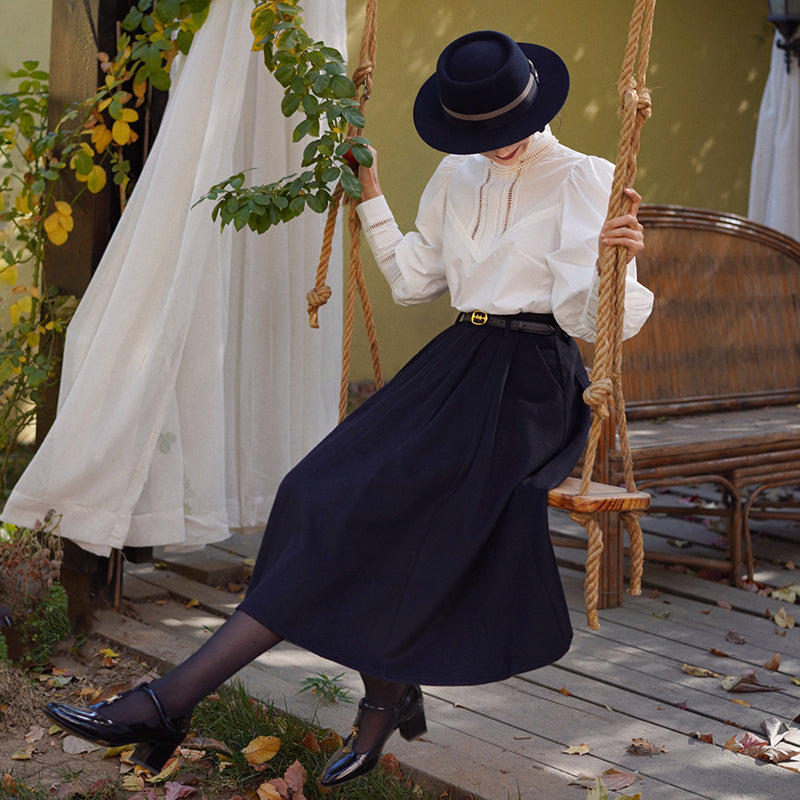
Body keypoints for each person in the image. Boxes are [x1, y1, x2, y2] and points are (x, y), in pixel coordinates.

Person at [44, 30, 653, 787]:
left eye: (508, 127)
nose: (499, 145)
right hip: (457, 364)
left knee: (390, 514)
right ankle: (377, 700)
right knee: (316, 493)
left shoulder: (584, 177)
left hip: (530, 384)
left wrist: (612, 259)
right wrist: (370, 193)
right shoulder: (455, 173)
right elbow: (414, 281)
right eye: (483, 132)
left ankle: (179, 701)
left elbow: (595, 321)